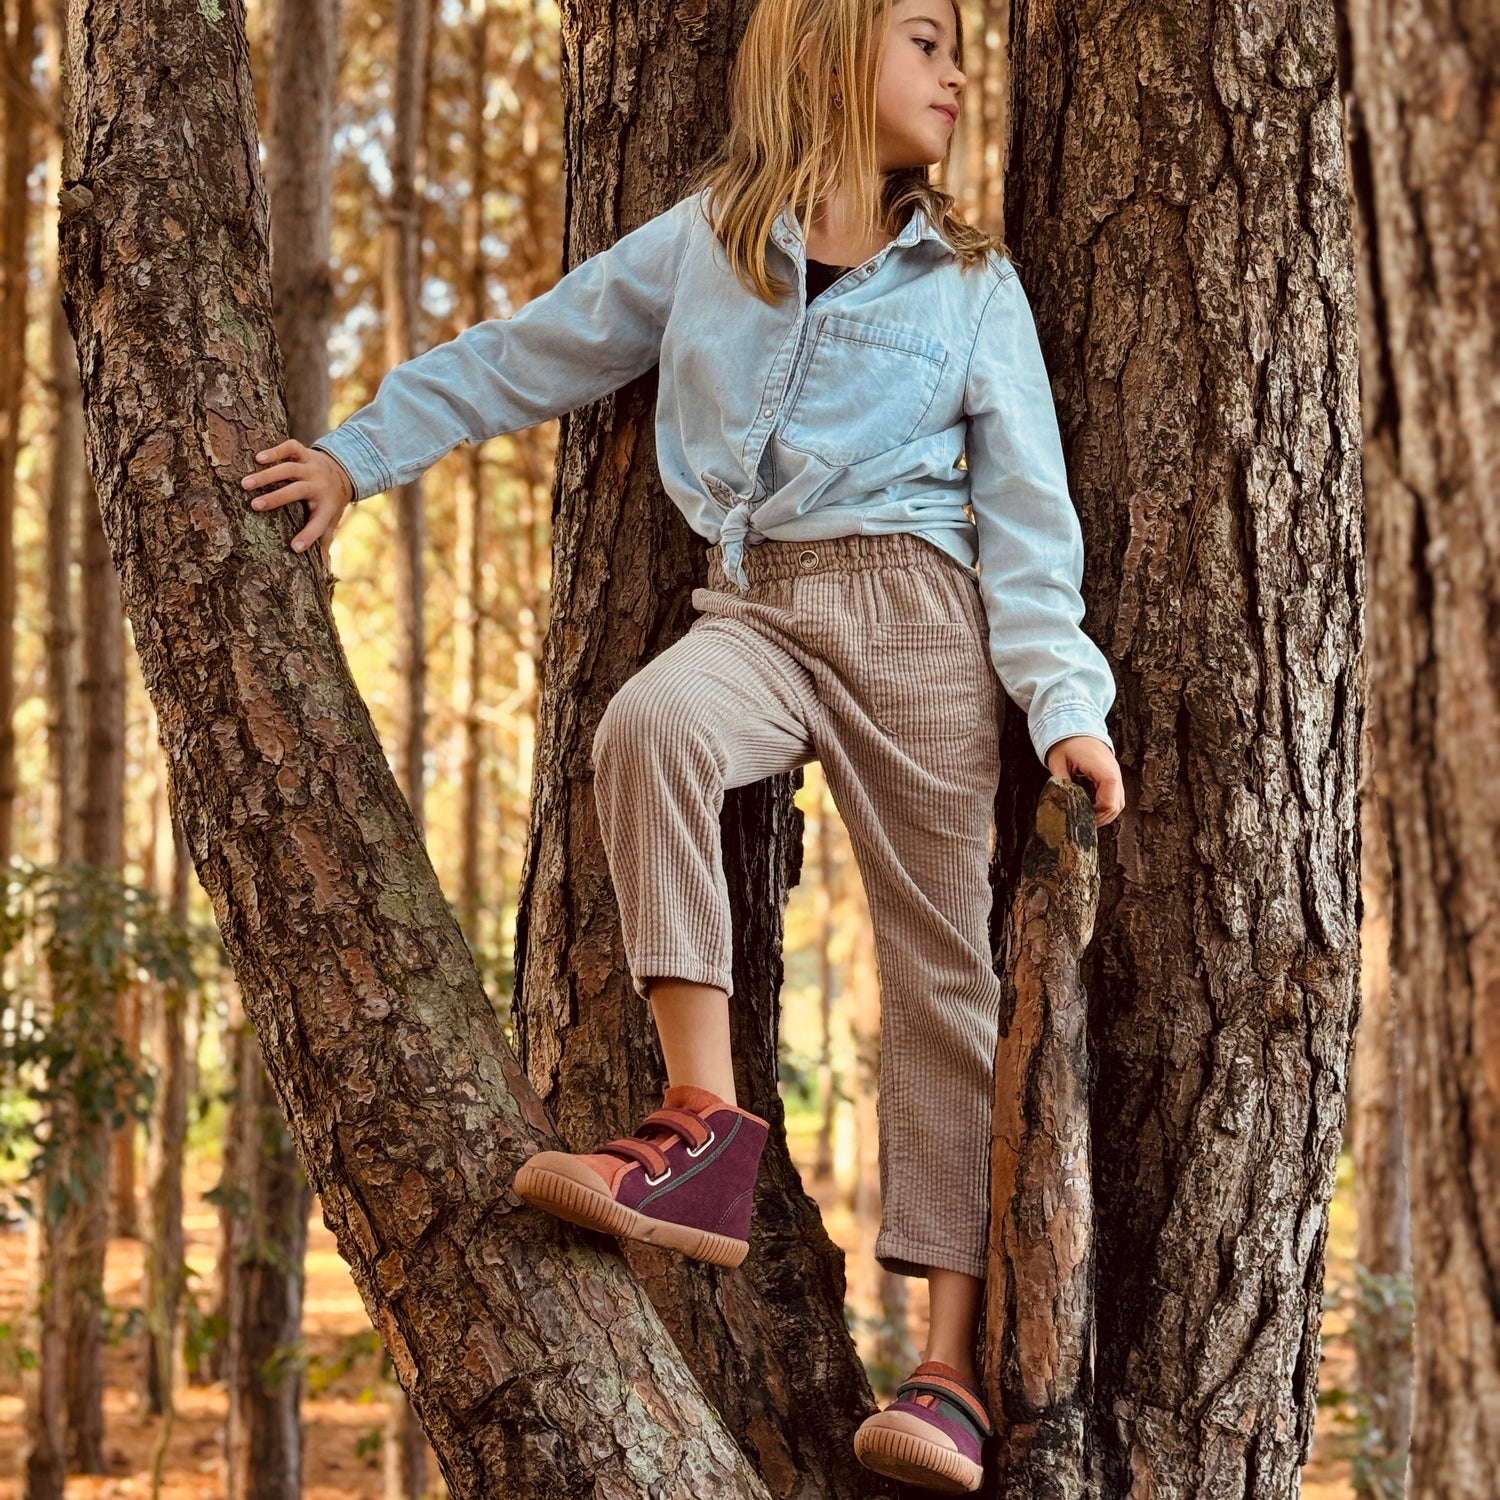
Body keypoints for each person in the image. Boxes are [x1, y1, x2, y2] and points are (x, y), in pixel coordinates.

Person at [241, 0, 1125, 1488]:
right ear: (838, 51)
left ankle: (951, 1363)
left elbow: (1031, 524)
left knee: (942, 979)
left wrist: (1068, 707)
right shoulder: (707, 241)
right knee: (648, 724)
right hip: (758, 607)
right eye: (926, 39)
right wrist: (356, 451)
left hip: (920, 619)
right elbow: (531, 351)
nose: (960, 72)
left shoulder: (974, 287)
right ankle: (704, 1133)